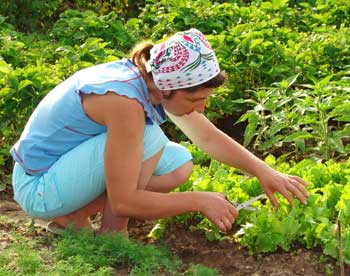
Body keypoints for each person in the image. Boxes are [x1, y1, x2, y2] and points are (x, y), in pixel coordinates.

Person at [10, 28, 309, 235]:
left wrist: (263, 171)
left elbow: (205, 136)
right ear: (170, 88)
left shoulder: (149, 81)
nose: (201, 109)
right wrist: (199, 200)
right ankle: (112, 233)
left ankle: (72, 214)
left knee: (178, 162)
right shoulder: (125, 103)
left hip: (61, 172)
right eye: (195, 100)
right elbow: (125, 199)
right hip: (39, 187)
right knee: (150, 138)